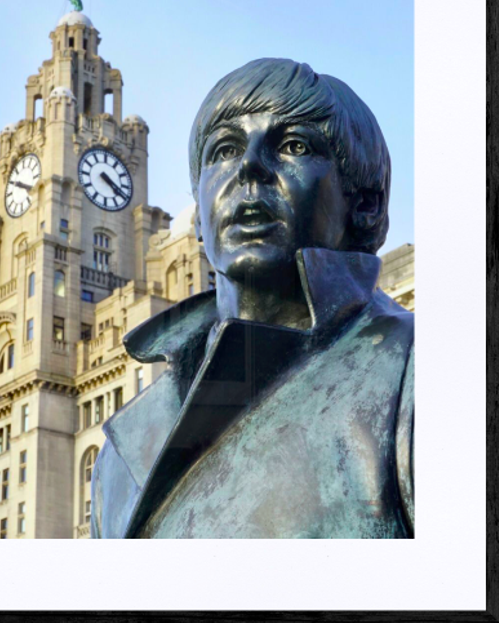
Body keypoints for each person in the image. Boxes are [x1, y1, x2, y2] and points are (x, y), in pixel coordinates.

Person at [91, 58, 414, 539]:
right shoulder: (121, 455)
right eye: (224, 149)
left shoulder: (417, 371)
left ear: (363, 204)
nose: (249, 169)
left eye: (293, 146)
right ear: (198, 217)